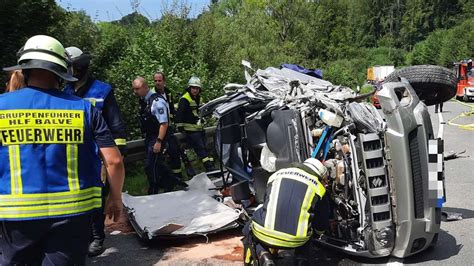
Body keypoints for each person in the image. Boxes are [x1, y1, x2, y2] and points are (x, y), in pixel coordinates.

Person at [0, 35, 124, 265]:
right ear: (62, 71)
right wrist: (115, 198)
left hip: (15, 217)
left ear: (24, 68)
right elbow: (114, 161)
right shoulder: (84, 109)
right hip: (73, 216)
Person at [63, 46, 127, 257]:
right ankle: (82, 235)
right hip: (73, 157)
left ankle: (97, 237)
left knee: (97, 199)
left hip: (99, 157)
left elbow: (116, 127)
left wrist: (110, 159)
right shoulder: (64, 92)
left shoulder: (102, 91)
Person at [242, 158, 328, 266]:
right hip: (296, 241)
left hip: (263, 234)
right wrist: (318, 233)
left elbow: (267, 202)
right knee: (308, 229)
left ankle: (263, 254)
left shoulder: (277, 175)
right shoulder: (319, 188)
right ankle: (302, 259)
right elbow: (321, 223)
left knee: (249, 227)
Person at [133, 77, 185, 194]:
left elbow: (164, 123)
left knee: (151, 165)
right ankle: (171, 181)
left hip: (157, 137)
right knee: (156, 164)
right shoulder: (144, 100)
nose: (135, 92)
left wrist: (159, 141)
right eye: (134, 89)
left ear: (145, 87)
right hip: (150, 136)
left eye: (137, 88)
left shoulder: (157, 102)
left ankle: (154, 189)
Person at [176, 76, 215, 172]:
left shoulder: (198, 98)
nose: (195, 90)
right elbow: (179, 115)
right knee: (201, 149)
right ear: (189, 88)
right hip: (191, 131)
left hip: (199, 129)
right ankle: (210, 169)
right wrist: (181, 129)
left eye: (197, 88)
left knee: (206, 148)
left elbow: (201, 112)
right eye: (193, 88)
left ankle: (212, 167)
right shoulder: (184, 99)